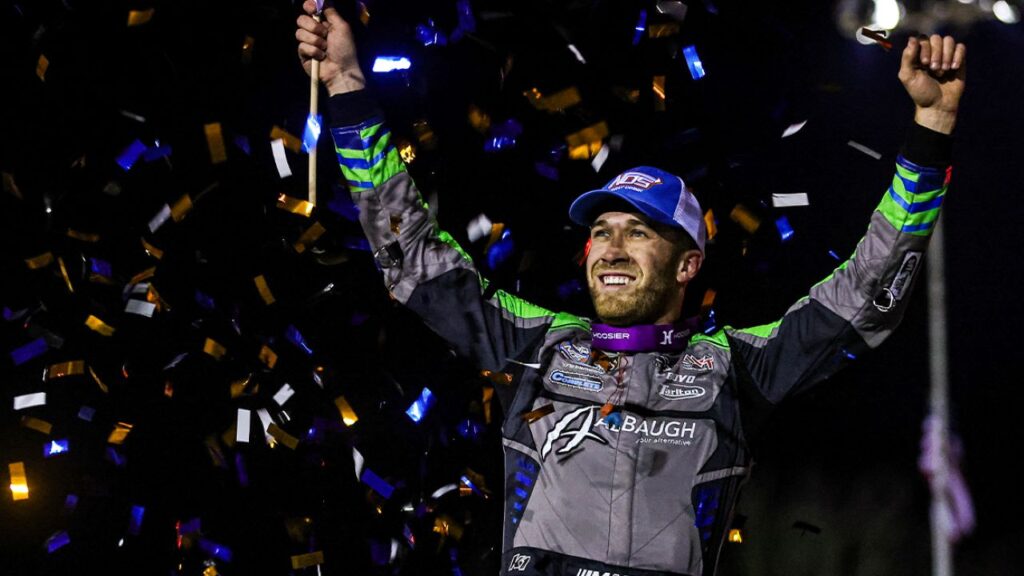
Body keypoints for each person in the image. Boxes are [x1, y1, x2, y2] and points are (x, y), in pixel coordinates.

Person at [296, 3, 966, 575]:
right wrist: (347, 83)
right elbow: (411, 255)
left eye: (638, 233)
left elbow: (866, 296)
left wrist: (931, 132)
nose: (611, 248)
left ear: (687, 264)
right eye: (602, 232)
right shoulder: (537, 345)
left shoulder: (738, 366)